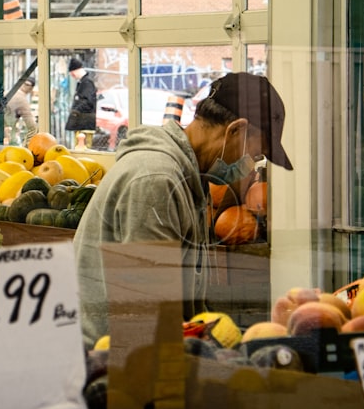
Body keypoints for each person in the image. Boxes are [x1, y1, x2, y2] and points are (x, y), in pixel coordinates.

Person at [72, 72, 293, 348]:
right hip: (107, 363)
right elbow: (149, 312)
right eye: (254, 155)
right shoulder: (156, 180)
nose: (249, 166)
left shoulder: (190, 180)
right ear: (236, 130)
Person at [64, 57, 97, 143]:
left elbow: (88, 102)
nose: (72, 76)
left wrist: (76, 111)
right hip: (82, 124)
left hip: (84, 125)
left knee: (82, 147)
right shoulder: (83, 83)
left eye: (72, 73)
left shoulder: (86, 83)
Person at [4, 77, 38, 144]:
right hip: (5, 134)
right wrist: (26, 146)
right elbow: (32, 127)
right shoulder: (22, 100)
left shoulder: (6, 92)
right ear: (31, 89)